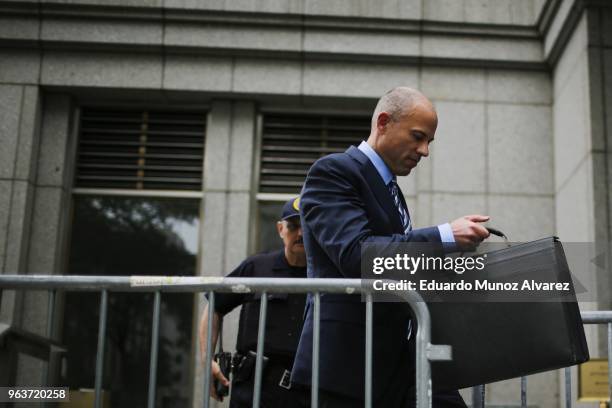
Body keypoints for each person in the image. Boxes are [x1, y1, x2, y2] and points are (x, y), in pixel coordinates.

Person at [291, 87, 491, 407]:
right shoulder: (334, 171)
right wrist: (445, 236)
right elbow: (358, 255)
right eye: (417, 136)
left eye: (429, 142)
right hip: (348, 368)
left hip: (395, 360)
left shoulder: (390, 190)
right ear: (383, 123)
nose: (424, 150)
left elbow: (396, 261)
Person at [198, 197, 309, 408]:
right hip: (254, 388)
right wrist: (206, 360)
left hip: (305, 390)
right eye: (293, 227)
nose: (301, 234)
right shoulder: (257, 267)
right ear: (280, 229)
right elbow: (214, 306)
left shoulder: (327, 273)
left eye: (307, 227)